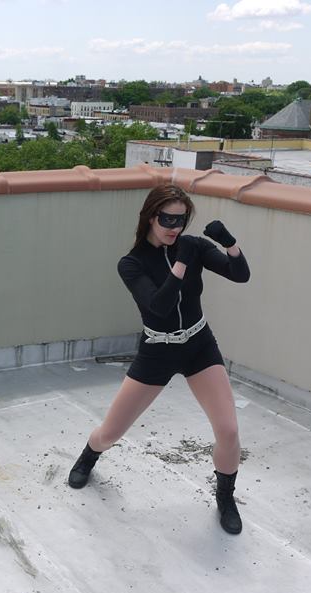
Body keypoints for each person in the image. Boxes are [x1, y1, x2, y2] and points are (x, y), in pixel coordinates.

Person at [67, 184, 251, 535]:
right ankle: (89, 455)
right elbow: (159, 307)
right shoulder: (131, 263)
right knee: (110, 433)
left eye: (181, 220)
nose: (175, 227)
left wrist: (228, 243)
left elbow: (240, 274)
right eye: (167, 219)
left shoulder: (193, 246)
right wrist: (182, 261)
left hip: (198, 345)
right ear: (151, 217)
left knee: (228, 430)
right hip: (157, 350)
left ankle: (225, 496)